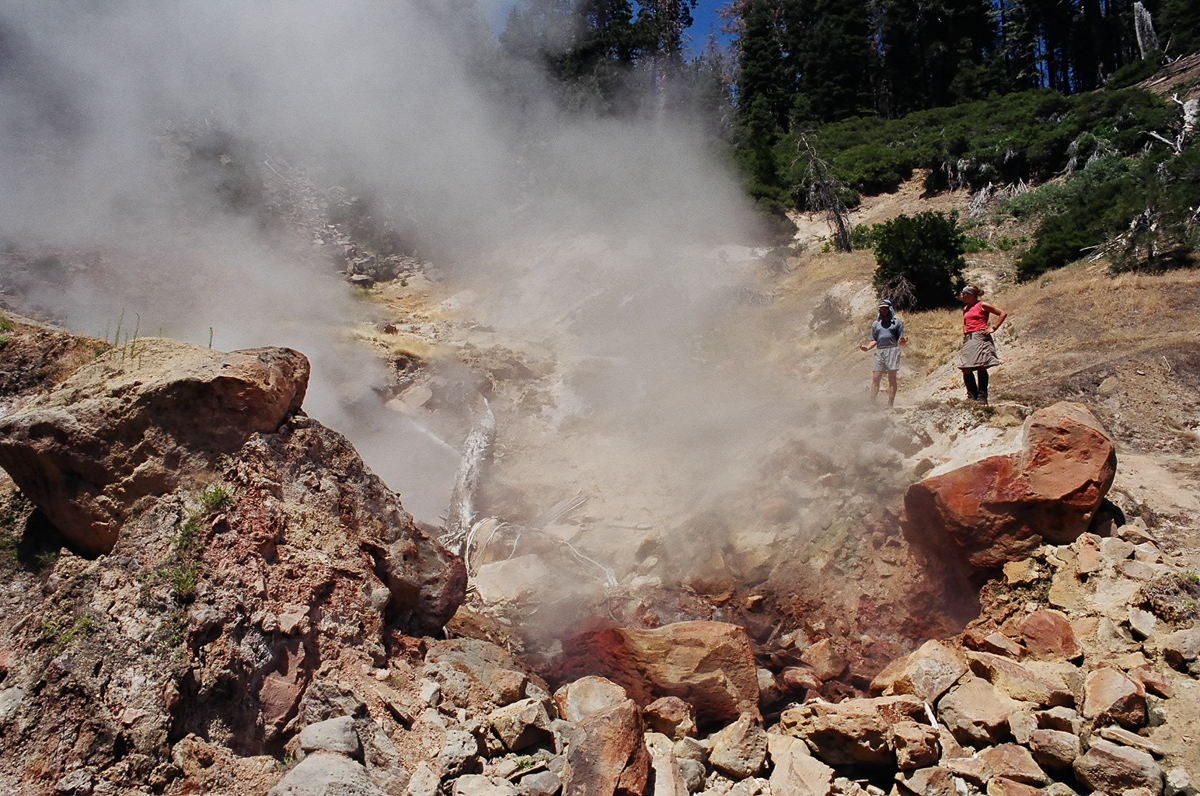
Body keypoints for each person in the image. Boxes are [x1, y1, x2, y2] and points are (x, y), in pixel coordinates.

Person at [958, 285, 1007, 404]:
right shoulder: (966, 308)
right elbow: (965, 323)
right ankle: (972, 396)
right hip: (969, 337)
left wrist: (994, 328)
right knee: (965, 367)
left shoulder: (982, 305)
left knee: (981, 365)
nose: (962, 296)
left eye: (964, 294)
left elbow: (1002, 313)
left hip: (980, 335)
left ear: (971, 295)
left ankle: (982, 397)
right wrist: (965, 334)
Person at [859, 299, 908, 407]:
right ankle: (872, 402)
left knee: (892, 377)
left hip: (892, 350)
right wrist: (867, 348)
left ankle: (890, 403)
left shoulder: (897, 323)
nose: (883, 310)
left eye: (885, 308)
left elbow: (901, 340)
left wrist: (902, 342)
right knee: (876, 377)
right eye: (881, 309)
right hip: (880, 351)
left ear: (890, 309)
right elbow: (874, 340)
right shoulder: (876, 324)